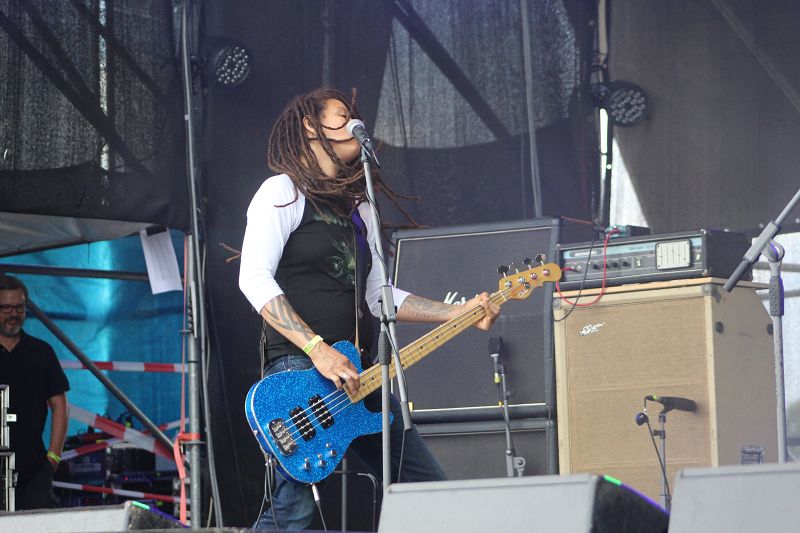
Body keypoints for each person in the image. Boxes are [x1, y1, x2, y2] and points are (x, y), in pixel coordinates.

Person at [239, 88, 500, 530]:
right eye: (342, 116)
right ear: (311, 126)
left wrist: (455, 312)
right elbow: (254, 279)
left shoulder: (360, 209)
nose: (356, 124)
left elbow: (379, 295)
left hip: (357, 374)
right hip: (298, 369)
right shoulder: (282, 192)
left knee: (428, 489)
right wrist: (317, 349)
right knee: (294, 515)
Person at [0, 275, 69, 510]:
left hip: (33, 472)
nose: (13, 314)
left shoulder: (41, 352)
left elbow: (60, 404)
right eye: (6, 307)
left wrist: (54, 457)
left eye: (19, 307)